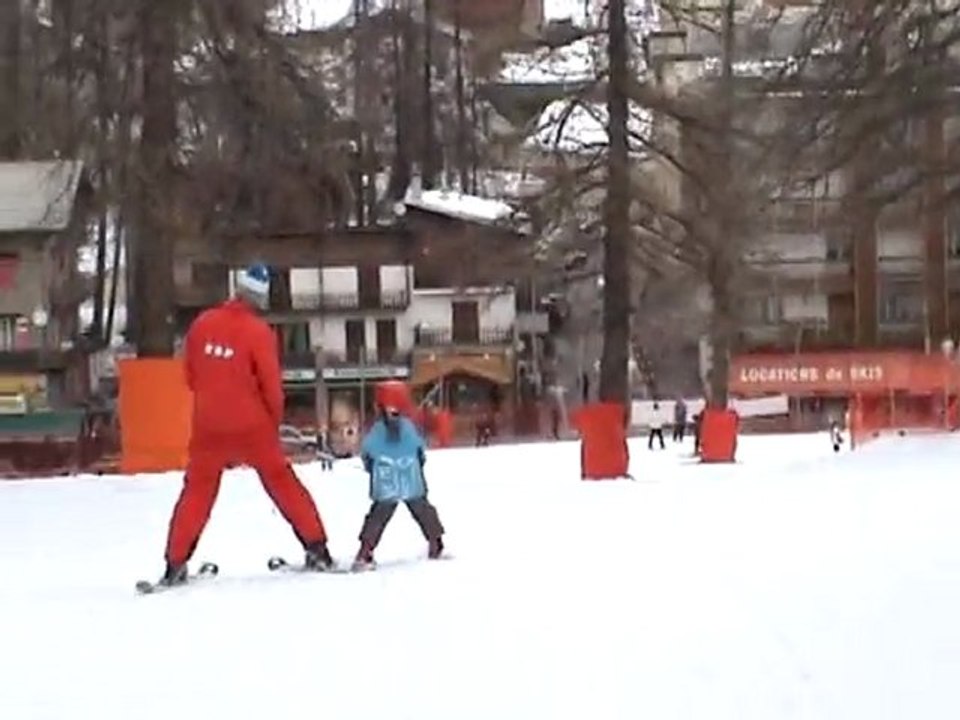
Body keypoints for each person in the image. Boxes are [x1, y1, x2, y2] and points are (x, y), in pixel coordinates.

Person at [155, 263, 335, 586]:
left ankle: (175, 562)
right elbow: (272, 387)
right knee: (282, 483)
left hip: (208, 425)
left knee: (197, 491)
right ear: (260, 298)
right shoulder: (258, 332)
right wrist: (272, 422)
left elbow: (190, 375)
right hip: (253, 426)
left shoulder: (202, 324)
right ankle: (316, 547)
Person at [352, 381, 445, 571]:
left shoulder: (377, 430)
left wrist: (370, 467)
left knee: (379, 514)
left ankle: (366, 549)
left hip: (385, 475)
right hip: (410, 474)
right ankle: (436, 541)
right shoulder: (408, 427)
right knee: (421, 508)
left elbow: (368, 452)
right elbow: (419, 450)